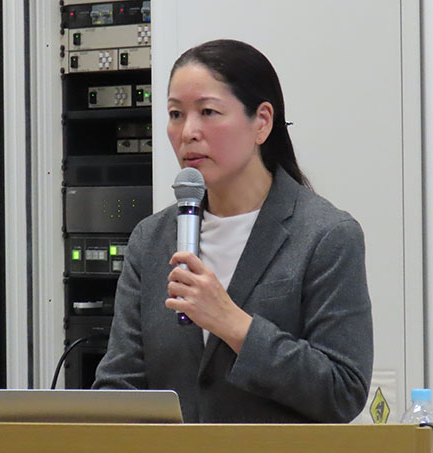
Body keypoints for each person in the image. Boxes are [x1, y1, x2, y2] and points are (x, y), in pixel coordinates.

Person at [93, 39, 373, 423]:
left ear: (262, 122)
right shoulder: (151, 238)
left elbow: (342, 391)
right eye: (175, 114)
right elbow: (118, 384)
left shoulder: (326, 235)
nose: (188, 132)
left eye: (208, 112)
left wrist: (235, 325)